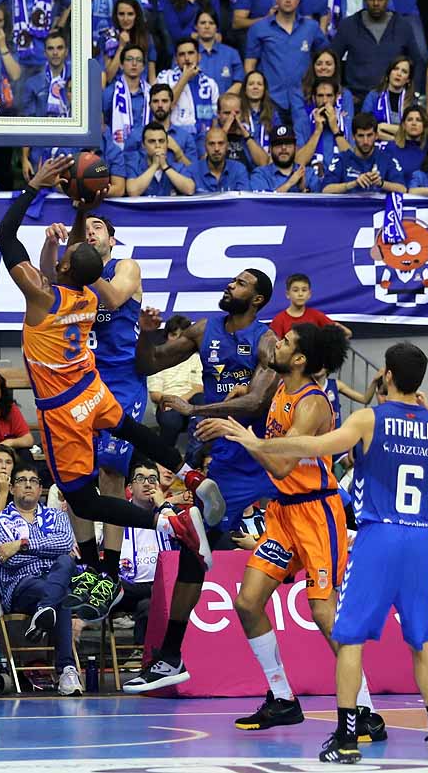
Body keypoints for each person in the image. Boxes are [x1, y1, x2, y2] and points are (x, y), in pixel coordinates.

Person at [225, 342, 428, 764]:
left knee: (350, 638)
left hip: (378, 538)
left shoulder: (368, 418)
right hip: (420, 541)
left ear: (386, 375)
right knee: (421, 641)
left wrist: (256, 442)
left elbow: (312, 449)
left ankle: (347, 737)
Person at [0, 155, 215, 614]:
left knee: (83, 499)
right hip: (93, 389)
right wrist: (77, 210)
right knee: (132, 434)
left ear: (66, 269)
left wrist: (33, 185)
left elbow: (3, 236)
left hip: (63, 406)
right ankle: (185, 473)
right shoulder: (90, 292)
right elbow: (80, 260)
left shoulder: (42, 297)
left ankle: (163, 522)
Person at [201, 325, 383, 737]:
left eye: (285, 343)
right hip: (284, 514)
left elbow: (282, 463)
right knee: (248, 602)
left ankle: (367, 710)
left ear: (300, 360)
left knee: (323, 613)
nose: (276, 345)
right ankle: (282, 698)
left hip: (318, 516)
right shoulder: (280, 389)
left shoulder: (312, 404)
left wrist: (243, 439)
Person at [126, 265, 282, 692]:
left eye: (241, 283)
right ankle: (169, 658)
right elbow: (149, 362)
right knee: (194, 555)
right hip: (225, 456)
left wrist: (193, 412)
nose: (229, 284)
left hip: (262, 451)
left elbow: (253, 402)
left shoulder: (268, 342)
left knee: (332, 524)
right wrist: (146, 331)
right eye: (231, 279)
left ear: (257, 299)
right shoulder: (203, 330)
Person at [0, 464, 97, 694]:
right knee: (62, 586)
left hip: (53, 582)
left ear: (41, 490)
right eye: (21, 480)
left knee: (66, 568)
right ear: (12, 487)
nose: (28, 484)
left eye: (33, 481)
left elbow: (66, 545)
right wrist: (46, 550)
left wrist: (20, 544)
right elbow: (7, 561)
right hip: (21, 587)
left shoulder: (57, 516)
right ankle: (67, 670)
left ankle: (45, 610)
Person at [244, 0, 327, 116]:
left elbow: (326, 58)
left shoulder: (311, 27)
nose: (288, 0)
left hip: (304, 100)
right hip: (271, 101)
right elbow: (249, 65)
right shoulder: (259, 28)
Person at [331, 0, 424, 106]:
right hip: (357, 100)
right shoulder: (349, 25)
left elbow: (417, 61)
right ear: (365, 0)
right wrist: (341, 92)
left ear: (387, 0)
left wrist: (413, 93)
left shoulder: (402, 25)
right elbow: (332, 59)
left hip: (393, 100)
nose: (376, 3)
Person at [116, 460, 175, 646]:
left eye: (152, 479)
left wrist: (163, 505)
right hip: (126, 590)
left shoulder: (169, 514)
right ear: (130, 488)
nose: (147, 483)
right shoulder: (115, 514)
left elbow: (183, 530)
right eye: (140, 478)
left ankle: (146, 655)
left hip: (163, 590)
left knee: (148, 605)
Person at [147, 314, 204, 449]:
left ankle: (197, 459)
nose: (178, 340)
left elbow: (199, 388)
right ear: (166, 335)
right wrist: (175, 402)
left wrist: (181, 401)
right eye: (173, 335)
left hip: (192, 402)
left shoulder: (196, 358)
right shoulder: (156, 360)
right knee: (172, 420)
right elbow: (155, 395)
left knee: (201, 402)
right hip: (167, 405)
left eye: (182, 336)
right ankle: (164, 464)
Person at [321, 112, 407, 193]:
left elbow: (402, 189)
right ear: (353, 137)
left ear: (376, 135)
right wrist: (353, 184)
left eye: (369, 135)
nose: (365, 141)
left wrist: (381, 183)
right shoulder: (342, 159)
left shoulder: (386, 158)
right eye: (361, 136)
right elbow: (325, 189)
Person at [270, 274, 354, 340]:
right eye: (295, 290)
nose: (300, 294)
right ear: (288, 294)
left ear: (309, 294)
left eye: (304, 290)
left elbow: (347, 333)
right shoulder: (279, 320)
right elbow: (274, 347)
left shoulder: (317, 315)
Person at [250, 124, 318, 192]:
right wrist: (289, 184)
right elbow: (262, 202)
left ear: (295, 147)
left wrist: (303, 190)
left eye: (288, 143)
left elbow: (321, 200)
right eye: (278, 144)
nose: (283, 148)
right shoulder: (260, 175)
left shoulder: (309, 174)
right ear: (270, 149)